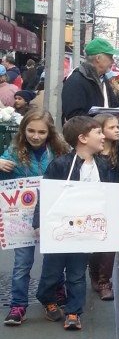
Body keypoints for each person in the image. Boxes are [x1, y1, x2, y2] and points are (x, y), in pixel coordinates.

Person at [36, 116, 108, 331]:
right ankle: (47, 298)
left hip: (84, 231)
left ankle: (74, 311)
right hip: (60, 228)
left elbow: (109, 196)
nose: (103, 136)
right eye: (98, 132)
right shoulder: (61, 164)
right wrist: (38, 223)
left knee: (77, 273)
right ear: (83, 138)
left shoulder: (102, 165)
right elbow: (45, 195)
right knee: (52, 273)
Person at [0, 111, 69, 326]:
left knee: (54, 260)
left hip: (51, 213)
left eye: (41, 132)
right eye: (31, 130)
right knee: (22, 263)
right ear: (23, 130)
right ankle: (18, 305)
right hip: (21, 217)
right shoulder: (13, 151)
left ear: (49, 133)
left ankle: (53, 294)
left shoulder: (59, 151)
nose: (36, 136)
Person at [88, 114, 119, 301]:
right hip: (94, 204)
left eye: (118, 127)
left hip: (117, 203)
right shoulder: (90, 153)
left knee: (111, 244)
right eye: (112, 127)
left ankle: (103, 282)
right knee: (93, 245)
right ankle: (94, 275)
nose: (117, 130)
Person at [61, 38, 119, 131]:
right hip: (85, 141)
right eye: (110, 57)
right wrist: (103, 121)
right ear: (98, 58)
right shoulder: (76, 80)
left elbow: (116, 110)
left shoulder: (103, 80)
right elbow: (74, 118)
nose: (113, 61)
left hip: (101, 139)